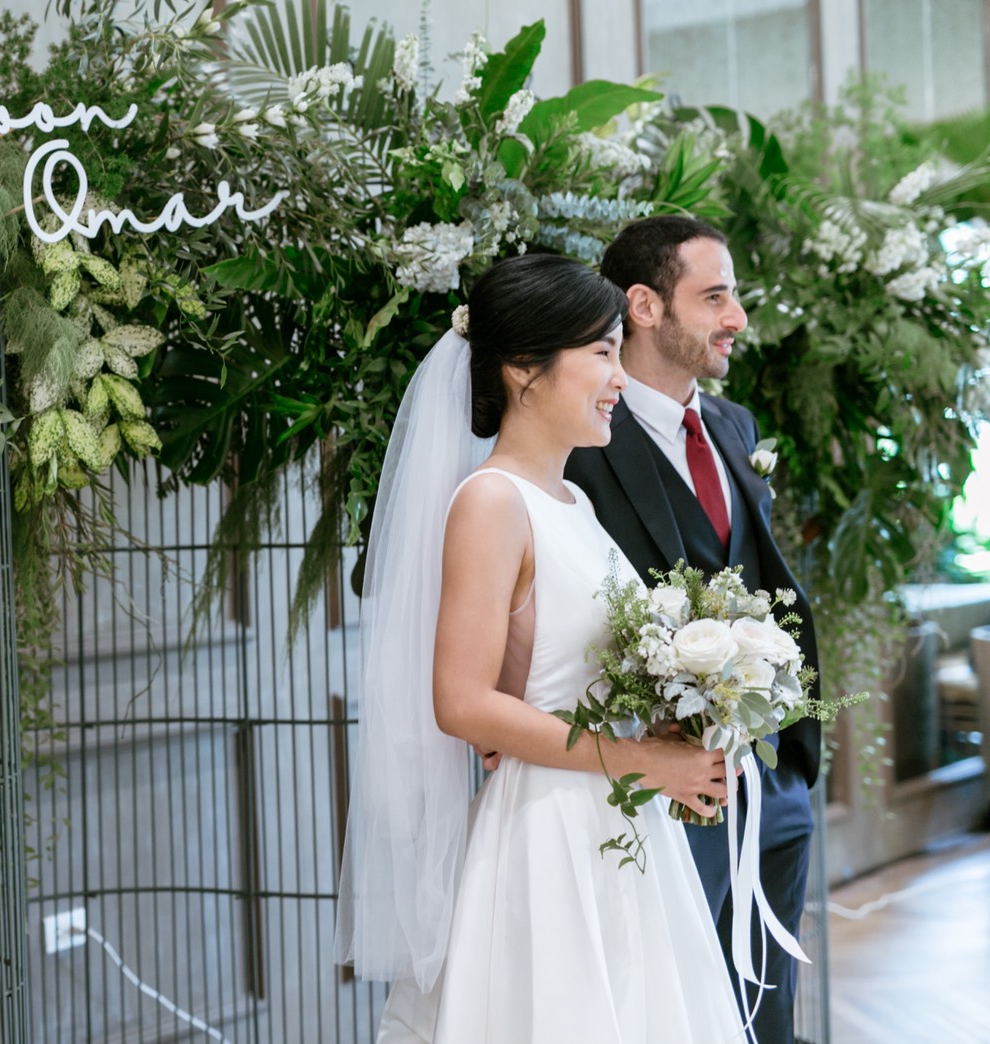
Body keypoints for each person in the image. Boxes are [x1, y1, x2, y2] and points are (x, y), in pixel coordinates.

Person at [335, 253, 746, 1043]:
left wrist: (671, 723)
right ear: (524, 367)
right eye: (601, 353)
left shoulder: (574, 501)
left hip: (618, 823)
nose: (619, 378)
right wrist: (642, 761)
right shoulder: (492, 502)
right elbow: (462, 703)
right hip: (548, 837)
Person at [565, 215, 821, 1044]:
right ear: (644, 306)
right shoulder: (580, 444)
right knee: (677, 1010)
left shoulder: (734, 426)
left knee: (769, 1008)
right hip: (660, 789)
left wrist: (788, 757)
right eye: (715, 297)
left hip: (773, 778)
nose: (736, 318)